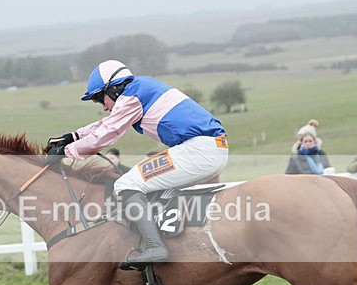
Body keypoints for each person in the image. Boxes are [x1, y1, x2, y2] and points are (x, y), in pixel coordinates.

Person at [45, 59, 228, 269]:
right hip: (207, 148)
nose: (103, 106)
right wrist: (73, 136)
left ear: (114, 89)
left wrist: (67, 152)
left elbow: (108, 133)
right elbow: (106, 124)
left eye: (100, 99)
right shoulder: (139, 89)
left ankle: (154, 246)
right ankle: (166, 235)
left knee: (125, 184)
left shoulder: (132, 96)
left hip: (199, 150)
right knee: (146, 184)